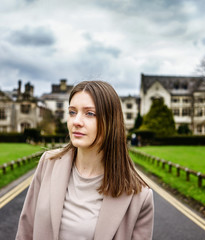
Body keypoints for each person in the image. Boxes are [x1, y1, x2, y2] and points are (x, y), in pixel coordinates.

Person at [16, 80, 154, 240]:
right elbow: (25, 232)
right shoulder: (48, 163)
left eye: (89, 113)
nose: (76, 121)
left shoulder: (140, 197)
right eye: (72, 112)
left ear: (110, 122)